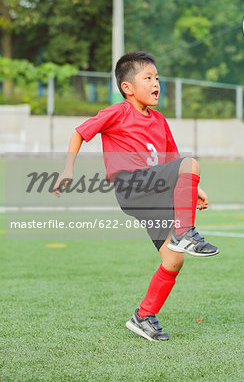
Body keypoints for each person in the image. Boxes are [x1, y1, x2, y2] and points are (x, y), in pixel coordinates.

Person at [54, 51, 219, 342]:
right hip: (131, 186)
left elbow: (173, 159)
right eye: (148, 78)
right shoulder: (118, 112)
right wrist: (68, 168)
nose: (156, 83)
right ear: (128, 87)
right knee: (190, 166)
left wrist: (196, 188)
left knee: (172, 261)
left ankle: (143, 317)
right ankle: (186, 233)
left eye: (157, 78)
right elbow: (79, 133)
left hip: (151, 195)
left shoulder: (159, 120)